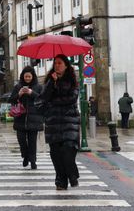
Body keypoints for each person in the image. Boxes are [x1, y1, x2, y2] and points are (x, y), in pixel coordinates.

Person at [39, 54, 80, 190]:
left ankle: (72, 175)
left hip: (69, 122)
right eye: (55, 63)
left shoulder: (72, 81)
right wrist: (52, 83)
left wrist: (58, 87)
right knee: (56, 155)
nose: (56, 65)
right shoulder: (49, 81)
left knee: (68, 152)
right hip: (53, 123)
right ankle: (60, 181)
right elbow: (44, 98)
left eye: (59, 63)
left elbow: (71, 99)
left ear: (66, 66)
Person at [9, 66, 44, 170]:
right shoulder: (18, 86)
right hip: (20, 118)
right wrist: (19, 94)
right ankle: (25, 156)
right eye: (25, 76)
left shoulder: (38, 87)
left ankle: (33, 161)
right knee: (21, 141)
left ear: (33, 76)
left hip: (34, 119)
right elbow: (11, 100)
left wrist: (31, 93)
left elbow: (42, 100)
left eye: (29, 76)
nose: (27, 78)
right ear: (22, 76)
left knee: (32, 142)